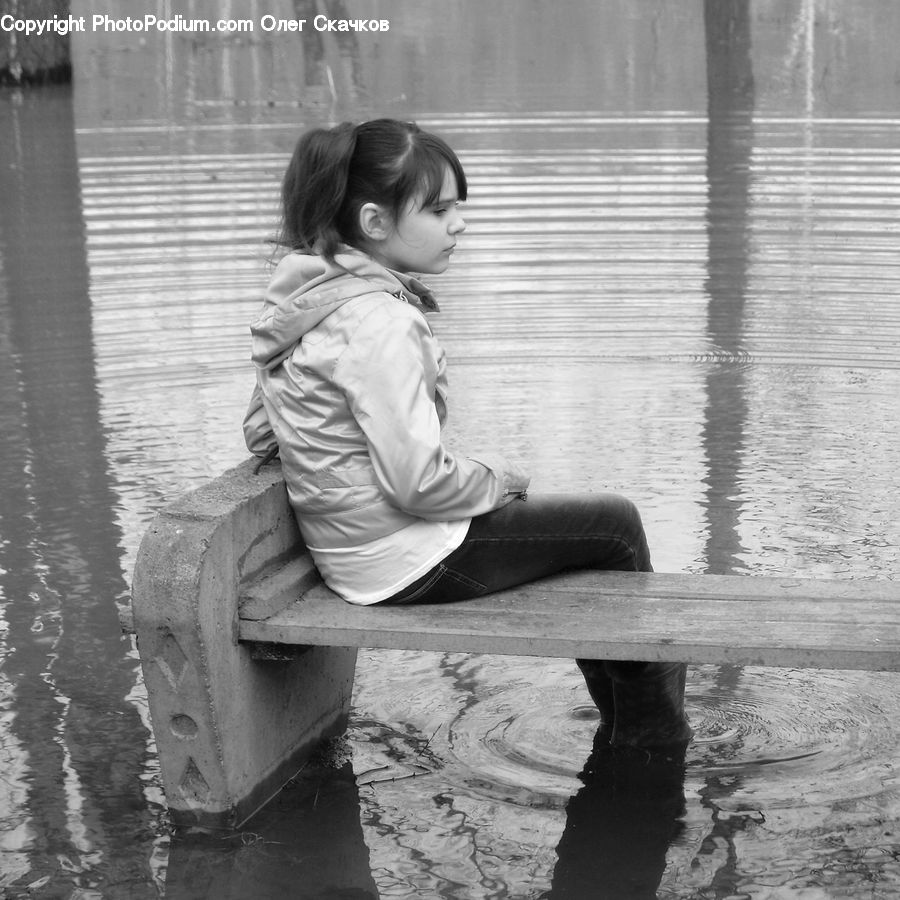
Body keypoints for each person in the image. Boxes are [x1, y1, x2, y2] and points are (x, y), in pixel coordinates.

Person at [243, 118, 691, 750]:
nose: (460, 224)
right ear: (375, 223)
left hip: (348, 554)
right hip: (405, 564)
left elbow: (261, 434)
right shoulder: (381, 322)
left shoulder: (306, 302)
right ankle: (655, 739)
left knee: (579, 539)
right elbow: (418, 485)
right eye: (439, 209)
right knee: (615, 528)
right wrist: (500, 479)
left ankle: (626, 729)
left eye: (459, 207)